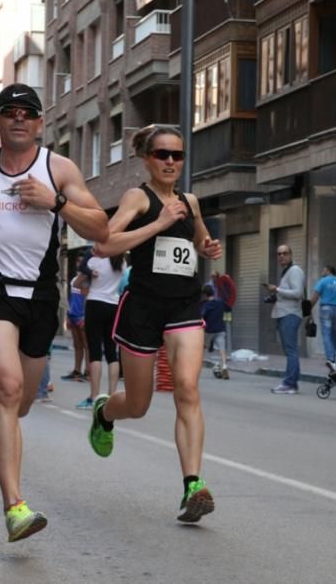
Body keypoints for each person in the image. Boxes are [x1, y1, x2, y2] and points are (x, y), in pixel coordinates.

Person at [0, 83, 109, 542]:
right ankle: (14, 506)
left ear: (39, 123)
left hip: (38, 295)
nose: (18, 118)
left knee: (22, 405)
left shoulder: (58, 168)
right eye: (9, 111)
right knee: (9, 386)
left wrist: (55, 201)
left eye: (27, 112)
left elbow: (102, 227)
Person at [86, 124, 222, 524]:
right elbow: (103, 244)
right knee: (139, 404)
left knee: (187, 388)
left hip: (184, 305)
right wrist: (159, 223)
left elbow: (200, 242)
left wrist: (209, 246)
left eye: (176, 156)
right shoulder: (137, 197)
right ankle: (104, 414)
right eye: (162, 154)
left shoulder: (190, 201)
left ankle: (192, 485)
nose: (169, 162)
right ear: (147, 158)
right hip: (142, 308)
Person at [74, 249, 126, 408]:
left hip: (95, 303)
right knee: (112, 352)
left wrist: (87, 277)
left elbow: (77, 283)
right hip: (114, 305)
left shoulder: (95, 262)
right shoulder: (122, 262)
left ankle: (94, 396)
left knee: (95, 352)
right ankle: (112, 394)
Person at [267, 244, 305, 395]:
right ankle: (292, 383)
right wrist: (275, 296)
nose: (281, 256)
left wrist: (277, 290)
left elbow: (297, 293)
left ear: (291, 254)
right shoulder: (287, 271)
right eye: (279, 254)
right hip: (285, 313)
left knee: (291, 350)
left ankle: (289, 383)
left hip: (290, 314)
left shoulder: (295, 270)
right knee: (290, 350)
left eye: (285, 253)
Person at [310, 264, 336, 368]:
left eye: (323, 270)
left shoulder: (323, 281)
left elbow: (315, 296)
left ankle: (330, 358)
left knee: (326, 334)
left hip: (326, 309)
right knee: (333, 334)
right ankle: (333, 357)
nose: (322, 272)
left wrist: (308, 308)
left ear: (328, 270)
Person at [61, 255, 88, 382]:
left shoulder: (87, 279)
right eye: (78, 261)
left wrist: (85, 316)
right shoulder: (74, 279)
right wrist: (68, 315)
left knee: (87, 345)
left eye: (81, 261)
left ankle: (88, 372)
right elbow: (72, 298)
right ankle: (77, 370)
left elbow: (87, 298)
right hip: (73, 314)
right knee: (77, 345)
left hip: (82, 315)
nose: (79, 263)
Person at [202, 284, 228, 379]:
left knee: (202, 347)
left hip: (209, 330)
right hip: (220, 329)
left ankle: (196, 367)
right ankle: (224, 365)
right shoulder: (220, 302)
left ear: (205, 294)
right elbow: (228, 308)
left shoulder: (206, 305)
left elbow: (202, 316)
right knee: (222, 349)